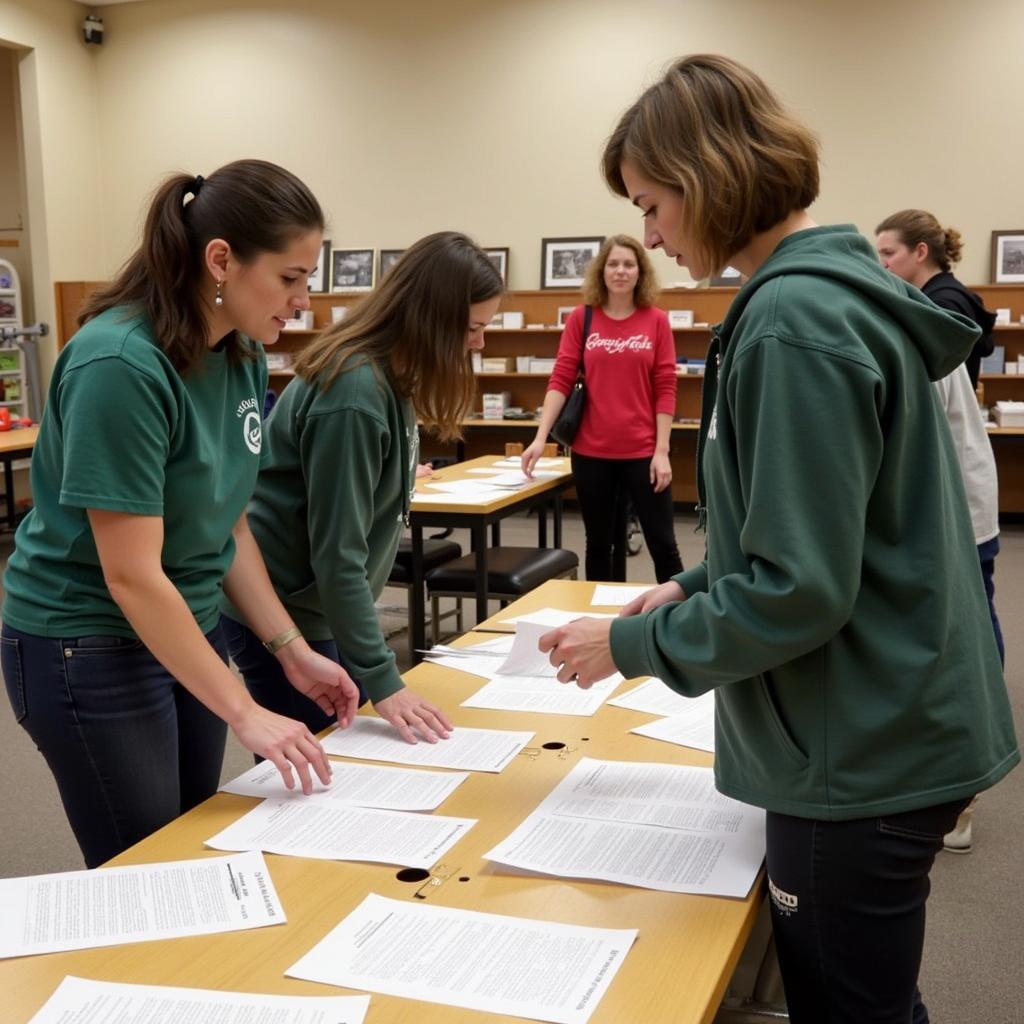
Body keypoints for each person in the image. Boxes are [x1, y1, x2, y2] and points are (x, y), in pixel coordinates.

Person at [539, 55, 1019, 1024]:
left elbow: (800, 587)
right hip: (887, 709)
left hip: (861, 744)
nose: (649, 233)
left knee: (848, 1005)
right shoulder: (833, 292)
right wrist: (697, 583)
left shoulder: (792, 323)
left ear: (705, 176)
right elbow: (833, 519)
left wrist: (625, 646)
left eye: (651, 204)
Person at [1, 160, 360, 869]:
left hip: (185, 624)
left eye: (308, 279)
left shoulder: (242, 356)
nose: (303, 301)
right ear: (220, 259)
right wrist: (244, 708)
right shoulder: (121, 365)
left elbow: (229, 524)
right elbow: (132, 575)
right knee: (144, 867)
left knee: (190, 840)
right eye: (290, 278)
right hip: (87, 640)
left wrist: (288, 649)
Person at [220, 231, 502, 744]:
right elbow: (337, 554)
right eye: (473, 328)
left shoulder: (388, 376)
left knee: (340, 756)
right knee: (315, 771)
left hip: (323, 608)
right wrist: (384, 678)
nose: (478, 343)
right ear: (431, 318)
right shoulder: (355, 391)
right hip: (287, 615)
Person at [876, 210, 1004, 855]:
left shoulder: (928, 326)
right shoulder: (927, 315)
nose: (882, 266)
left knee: (969, 635)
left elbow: (935, 441)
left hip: (963, 509)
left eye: (888, 253)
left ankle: (964, 790)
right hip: (955, 505)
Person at [522, 234, 683, 583]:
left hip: (643, 453)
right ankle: (601, 622)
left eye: (628, 264)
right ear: (601, 271)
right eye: (613, 264)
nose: (620, 271)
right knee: (599, 544)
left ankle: (684, 622)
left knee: (663, 544)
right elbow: (561, 378)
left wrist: (662, 450)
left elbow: (666, 386)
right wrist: (539, 436)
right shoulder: (583, 319)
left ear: (640, 272)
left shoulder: (656, 320)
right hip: (591, 452)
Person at [876, 210, 996, 389]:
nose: (882, 263)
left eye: (889, 253)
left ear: (920, 252)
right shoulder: (949, 295)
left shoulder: (942, 305)